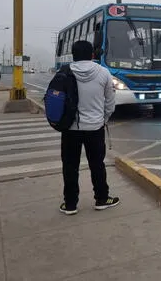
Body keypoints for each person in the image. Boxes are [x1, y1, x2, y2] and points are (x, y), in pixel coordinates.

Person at [60, 40, 118, 215]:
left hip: (70, 129)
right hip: (95, 128)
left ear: (73, 55)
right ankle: (101, 199)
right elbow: (110, 102)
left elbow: (56, 100)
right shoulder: (104, 73)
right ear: (92, 54)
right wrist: (103, 119)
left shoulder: (64, 72)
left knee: (70, 166)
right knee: (97, 164)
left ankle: (70, 204)